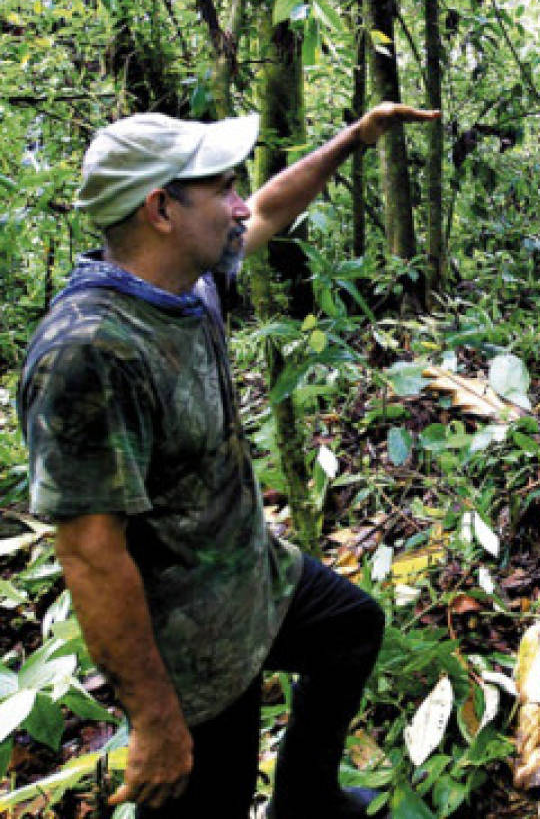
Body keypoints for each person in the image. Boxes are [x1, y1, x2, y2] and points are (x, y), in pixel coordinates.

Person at [18, 102, 439, 818]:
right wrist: (154, 720)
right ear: (160, 209)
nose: (239, 205)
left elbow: (270, 208)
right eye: (221, 189)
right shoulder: (90, 353)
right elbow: (90, 553)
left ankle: (305, 801)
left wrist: (355, 138)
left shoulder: (190, 283)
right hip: (189, 650)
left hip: (252, 579)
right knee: (211, 794)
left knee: (349, 630)